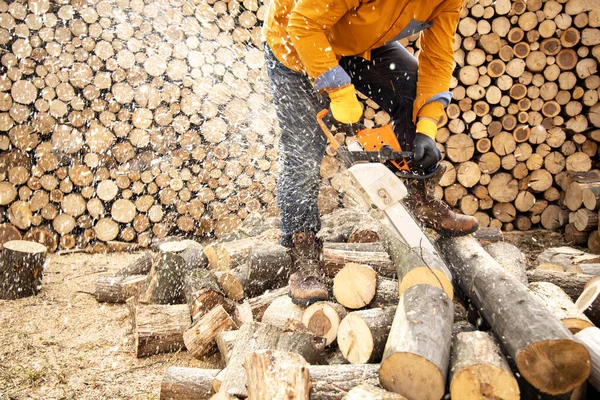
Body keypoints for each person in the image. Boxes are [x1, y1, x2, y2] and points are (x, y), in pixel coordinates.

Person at [262, 0, 479, 305]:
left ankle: (418, 198)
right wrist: (339, 92)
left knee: (411, 90)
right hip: (296, 42)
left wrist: (427, 127)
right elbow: (303, 24)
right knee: (302, 153)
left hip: (355, 42)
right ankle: (303, 251)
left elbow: (438, 57)